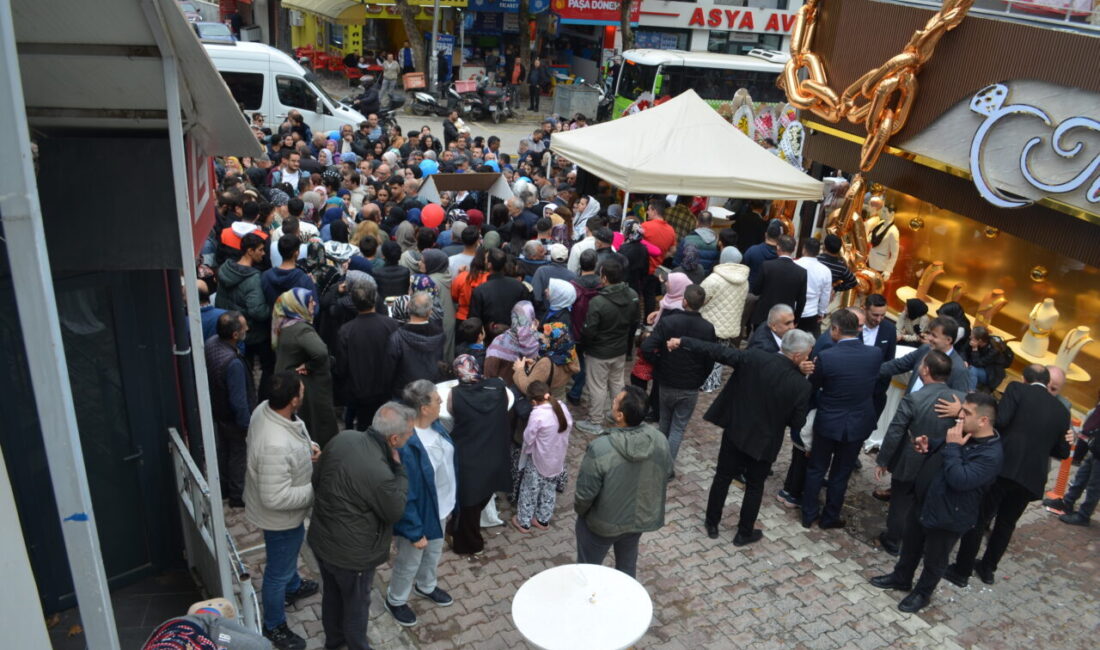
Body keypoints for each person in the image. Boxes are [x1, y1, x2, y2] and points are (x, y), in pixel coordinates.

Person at [670, 328, 814, 544]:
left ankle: (712, 523)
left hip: (736, 431)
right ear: (797, 356)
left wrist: (683, 340)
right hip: (765, 442)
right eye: (807, 355)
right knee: (755, 487)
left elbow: (717, 351)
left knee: (722, 477)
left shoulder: (754, 357)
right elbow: (796, 423)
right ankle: (744, 533)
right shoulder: (801, 385)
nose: (809, 359)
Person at [870, 393, 1003, 613]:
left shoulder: (991, 455)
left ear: (983, 421)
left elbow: (960, 479)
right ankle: (901, 577)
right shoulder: (964, 432)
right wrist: (929, 444)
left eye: (966, 412)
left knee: (935, 559)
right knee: (911, 545)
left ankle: (922, 594)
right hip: (926, 501)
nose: (960, 415)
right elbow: (944, 444)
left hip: (949, 516)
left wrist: (951, 447)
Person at [943, 365, 1072, 586]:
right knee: (1006, 524)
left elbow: (1001, 421)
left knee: (980, 518)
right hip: (1031, 479)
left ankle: (961, 570)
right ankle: (988, 569)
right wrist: (1068, 440)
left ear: (1024, 379)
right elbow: (1062, 452)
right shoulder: (1062, 411)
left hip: (1004, 469)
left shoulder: (1017, 389)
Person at [308, 403, 413, 650]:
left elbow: (317, 478)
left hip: (322, 540)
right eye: (409, 434)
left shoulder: (343, 437)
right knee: (356, 606)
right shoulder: (381, 472)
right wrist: (399, 470)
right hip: (351, 555)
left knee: (332, 596)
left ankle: (334, 642)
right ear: (394, 438)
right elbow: (395, 510)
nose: (410, 438)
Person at [243, 372, 320, 650]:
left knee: (287, 557)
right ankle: (274, 625)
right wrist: (315, 490)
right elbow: (275, 497)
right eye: (301, 390)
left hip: (285, 516)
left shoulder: (266, 410)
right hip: (280, 519)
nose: (303, 392)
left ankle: (293, 585)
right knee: (277, 570)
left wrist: (305, 450)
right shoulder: (275, 444)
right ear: (293, 400)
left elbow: (291, 441)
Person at [573, 386, 673, 577]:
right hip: (637, 520)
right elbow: (667, 473)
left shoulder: (600, 448)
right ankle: (627, 602)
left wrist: (582, 513)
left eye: (614, 401)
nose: (612, 402)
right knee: (627, 569)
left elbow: (585, 494)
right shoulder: (659, 439)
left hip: (602, 524)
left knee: (587, 572)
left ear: (619, 415)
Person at [874, 351, 966, 555]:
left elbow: (895, 430)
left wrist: (883, 460)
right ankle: (918, 542)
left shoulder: (914, 399)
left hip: (911, 457)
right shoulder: (961, 400)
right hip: (942, 461)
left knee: (901, 500)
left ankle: (893, 539)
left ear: (926, 370)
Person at [801, 309, 884, 529]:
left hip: (829, 421)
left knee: (817, 468)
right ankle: (830, 517)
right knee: (841, 474)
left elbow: (813, 387)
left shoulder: (827, 357)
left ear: (836, 329)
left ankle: (808, 514)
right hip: (857, 424)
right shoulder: (874, 354)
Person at [386, 381, 456, 627]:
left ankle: (426, 586)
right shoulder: (407, 443)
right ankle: (395, 599)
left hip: (441, 506)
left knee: (434, 552)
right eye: (437, 400)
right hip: (421, 512)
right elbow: (406, 494)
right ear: (424, 407)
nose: (442, 403)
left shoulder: (437, 425)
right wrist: (414, 531)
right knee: (410, 559)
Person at [641, 284, 716, 468]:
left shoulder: (669, 322)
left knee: (665, 422)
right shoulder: (707, 328)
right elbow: (710, 359)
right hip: (689, 385)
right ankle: (666, 466)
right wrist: (700, 378)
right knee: (678, 427)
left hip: (667, 381)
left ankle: (659, 461)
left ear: (684, 301)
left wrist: (658, 362)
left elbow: (646, 347)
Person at [447, 355, 512, 555]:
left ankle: (469, 543)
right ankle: (463, 531)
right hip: (495, 451)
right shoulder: (498, 388)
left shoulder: (455, 395)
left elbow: (450, 414)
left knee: (469, 502)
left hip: (470, 455)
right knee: (483, 493)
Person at [575, 258, 640, 434]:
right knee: (617, 382)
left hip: (599, 352)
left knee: (597, 386)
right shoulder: (632, 294)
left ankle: (595, 421)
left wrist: (585, 346)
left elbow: (589, 331)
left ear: (603, 278)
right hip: (619, 349)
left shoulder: (598, 302)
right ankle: (618, 413)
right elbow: (635, 320)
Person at [272, 288, 339, 448]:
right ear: (298, 306)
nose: (314, 303)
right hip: (308, 388)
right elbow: (321, 352)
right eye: (310, 302)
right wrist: (311, 365)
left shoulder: (285, 325)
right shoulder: (301, 329)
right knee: (317, 426)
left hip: (290, 382)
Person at [205, 311, 255, 507]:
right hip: (232, 416)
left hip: (218, 410)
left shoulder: (211, 344)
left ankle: (224, 488)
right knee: (237, 454)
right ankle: (238, 494)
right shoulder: (233, 363)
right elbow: (239, 400)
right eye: (243, 327)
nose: (247, 330)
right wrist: (246, 425)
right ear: (235, 335)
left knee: (224, 451)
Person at [217, 232, 274, 397]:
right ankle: (263, 400)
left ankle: (247, 395)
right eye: (261, 250)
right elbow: (258, 311)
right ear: (250, 251)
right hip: (253, 333)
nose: (263, 254)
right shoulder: (253, 278)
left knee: (244, 368)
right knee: (268, 365)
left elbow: (220, 302)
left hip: (233, 330)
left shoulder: (225, 270)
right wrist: (272, 310)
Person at [513, 380, 574, 532]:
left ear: (533, 401)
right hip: (557, 459)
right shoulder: (562, 407)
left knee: (530, 489)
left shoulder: (537, 414)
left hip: (539, 460)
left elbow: (528, 438)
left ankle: (524, 521)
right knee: (549, 489)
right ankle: (542, 519)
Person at [879, 316, 969, 394]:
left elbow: (960, 397)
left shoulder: (958, 368)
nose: (929, 338)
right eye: (929, 333)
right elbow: (898, 365)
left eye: (934, 336)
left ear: (948, 340)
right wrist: (870, 370)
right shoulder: (925, 349)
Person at [469, 247, 533, 340]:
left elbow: (475, 320)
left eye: (486, 259)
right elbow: (528, 312)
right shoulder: (519, 286)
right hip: (516, 338)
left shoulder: (480, 290)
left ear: (490, 265)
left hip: (490, 340)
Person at [389, 291, 445, 392]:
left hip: (406, 391)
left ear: (408, 308)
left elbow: (390, 369)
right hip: (431, 388)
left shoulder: (396, 337)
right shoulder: (440, 334)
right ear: (430, 312)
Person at [512, 320, 580, 401]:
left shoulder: (546, 363)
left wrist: (519, 370)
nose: (541, 338)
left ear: (555, 342)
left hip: (545, 404)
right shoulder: (570, 353)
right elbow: (553, 372)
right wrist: (535, 364)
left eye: (546, 337)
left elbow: (529, 389)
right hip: (560, 400)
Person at [749, 235, 806, 328]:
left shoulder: (767, 266)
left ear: (778, 247)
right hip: (785, 319)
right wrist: (796, 319)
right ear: (794, 249)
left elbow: (756, 290)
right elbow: (801, 300)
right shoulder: (801, 272)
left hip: (764, 315)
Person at [483, 301, 541, 384]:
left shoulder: (499, 342)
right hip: (530, 393)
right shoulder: (540, 341)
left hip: (504, 393)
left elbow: (489, 374)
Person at [863, 293, 898, 418]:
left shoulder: (889, 329)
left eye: (883, 315)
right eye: (875, 315)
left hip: (874, 392)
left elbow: (889, 361)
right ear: (865, 309)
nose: (879, 319)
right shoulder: (853, 326)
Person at [793, 238, 832, 336]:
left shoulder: (794, 264)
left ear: (804, 249)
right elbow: (825, 295)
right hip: (811, 311)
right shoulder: (825, 270)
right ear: (819, 252)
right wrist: (821, 312)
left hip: (792, 309)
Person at [964, 326, 1011, 392]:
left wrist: (975, 349)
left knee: (972, 370)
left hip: (991, 373)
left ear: (979, 341)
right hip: (980, 366)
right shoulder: (973, 341)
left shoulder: (994, 350)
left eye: (972, 337)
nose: (970, 338)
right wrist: (964, 360)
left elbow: (978, 363)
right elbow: (963, 350)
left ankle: (970, 393)